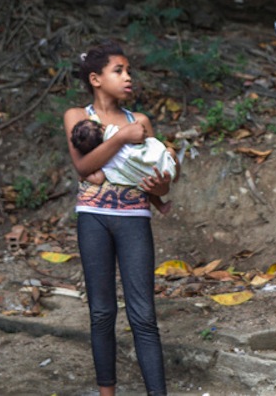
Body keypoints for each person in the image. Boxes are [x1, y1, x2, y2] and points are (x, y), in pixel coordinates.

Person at [63, 40, 173, 396]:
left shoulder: (140, 121)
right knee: (102, 313)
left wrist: (161, 185)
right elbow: (83, 166)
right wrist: (123, 136)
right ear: (96, 79)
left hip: (134, 219)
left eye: (129, 71)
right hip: (93, 217)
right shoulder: (77, 118)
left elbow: (157, 177)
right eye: (119, 71)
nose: (128, 78)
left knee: (143, 315)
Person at [69, 117, 179, 214]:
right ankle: (176, 174)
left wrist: (84, 176)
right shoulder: (116, 132)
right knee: (170, 152)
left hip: (146, 180)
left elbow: (98, 179)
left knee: (142, 184)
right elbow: (140, 134)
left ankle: (160, 205)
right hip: (161, 166)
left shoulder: (103, 162)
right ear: (102, 127)